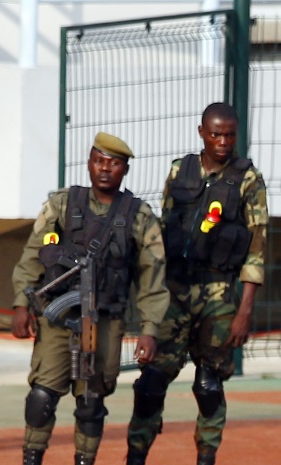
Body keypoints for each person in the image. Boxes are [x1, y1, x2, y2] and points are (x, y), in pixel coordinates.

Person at [11, 132, 170, 465]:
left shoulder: (139, 215)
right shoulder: (63, 204)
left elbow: (151, 275)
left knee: (91, 402)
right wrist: (21, 305)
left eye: (113, 164)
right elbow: (31, 254)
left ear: (124, 169)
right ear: (89, 162)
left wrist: (150, 329)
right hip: (57, 318)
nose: (105, 169)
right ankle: (31, 458)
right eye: (99, 161)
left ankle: (85, 460)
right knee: (42, 395)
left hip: (105, 321)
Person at [126, 103, 268, 465]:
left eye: (230, 134)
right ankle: (136, 455)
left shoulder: (248, 180)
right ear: (202, 132)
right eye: (216, 133)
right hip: (174, 290)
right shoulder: (180, 170)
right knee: (150, 383)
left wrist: (243, 312)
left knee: (208, 385)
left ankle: (206, 457)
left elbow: (256, 249)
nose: (223, 141)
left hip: (219, 294)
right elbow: (164, 233)